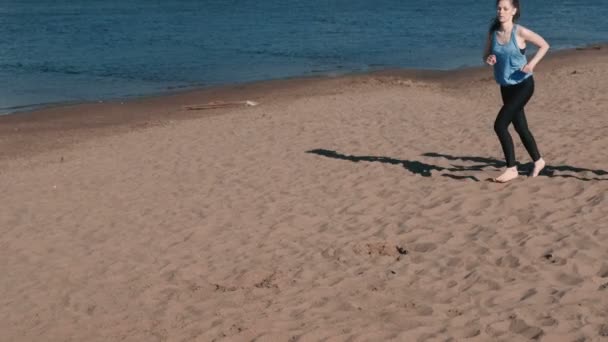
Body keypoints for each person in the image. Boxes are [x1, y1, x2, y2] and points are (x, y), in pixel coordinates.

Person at [483, 0, 550, 183]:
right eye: (499, 8)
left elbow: (544, 45)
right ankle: (538, 161)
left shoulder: (520, 32)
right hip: (505, 87)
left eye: (505, 8)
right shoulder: (493, 33)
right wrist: (489, 59)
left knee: (500, 125)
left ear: (513, 11)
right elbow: (485, 55)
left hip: (523, 85)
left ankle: (511, 168)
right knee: (520, 127)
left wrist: (531, 64)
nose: (501, 11)